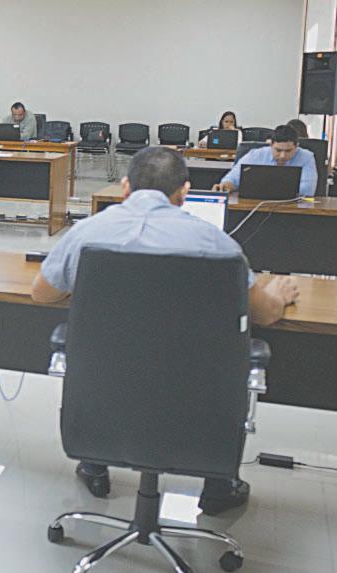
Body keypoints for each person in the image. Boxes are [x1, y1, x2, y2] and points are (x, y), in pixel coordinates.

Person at [31, 146, 299, 515]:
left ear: (126, 187)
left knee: (114, 359)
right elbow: (265, 315)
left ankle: (95, 463)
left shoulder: (87, 234)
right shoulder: (217, 243)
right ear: (184, 192)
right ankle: (218, 486)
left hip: (108, 385)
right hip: (191, 392)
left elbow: (42, 293)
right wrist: (279, 294)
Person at [214, 124, 317, 197]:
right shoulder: (256, 155)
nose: (282, 156)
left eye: (288, 151)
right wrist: (225, 186)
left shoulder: (307, 157)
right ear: (271, 145)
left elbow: (307, 191)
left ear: (297, 146)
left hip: (293, 208)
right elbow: (232, 179)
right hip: (255, 205)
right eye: (278, 150)